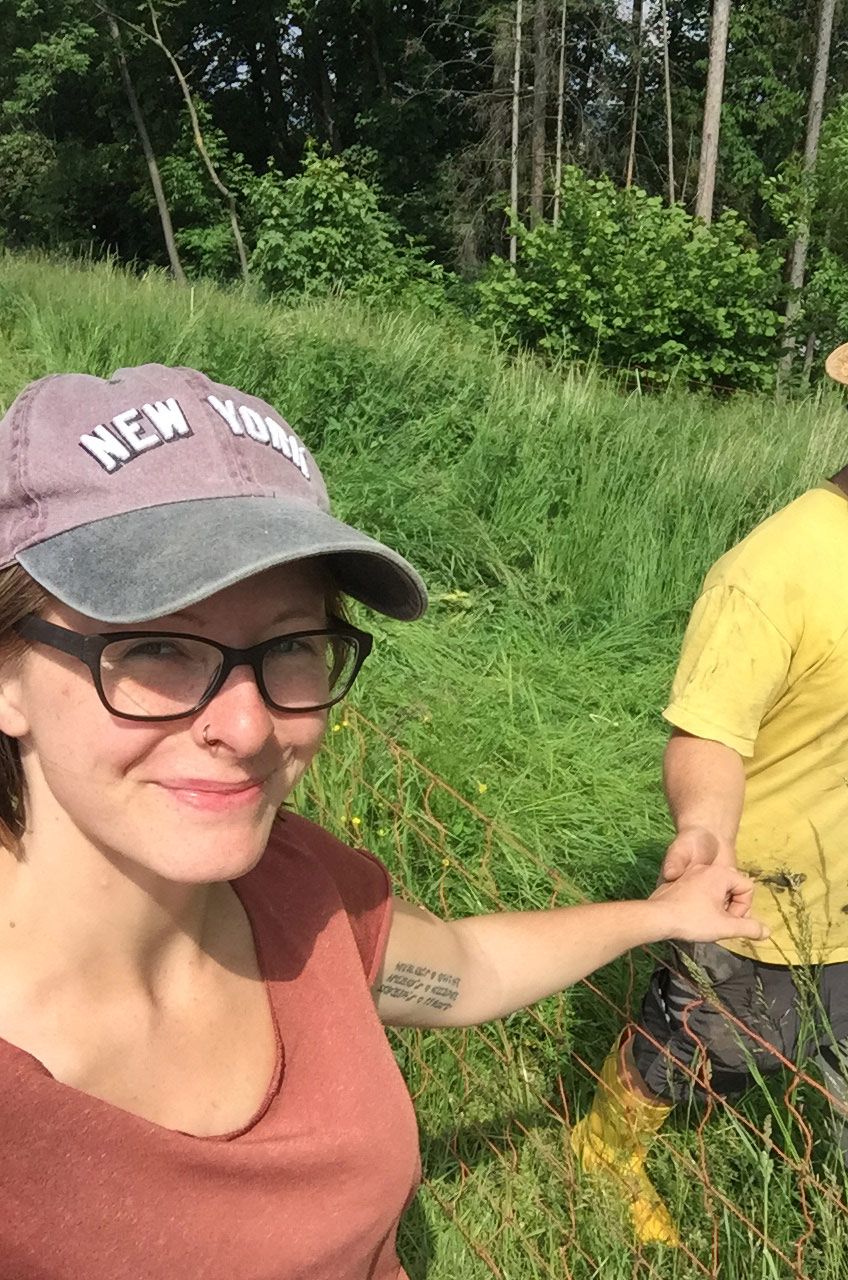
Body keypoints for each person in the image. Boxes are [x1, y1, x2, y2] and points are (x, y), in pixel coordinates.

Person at [0, 361, 767, 1279]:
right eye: (156, 645)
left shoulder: (292, 886)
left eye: (289, 645)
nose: (247, 726)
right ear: (8, 676)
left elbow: (466, 969)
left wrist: (664, 917)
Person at [571, 258, 848, 1280]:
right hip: (766, 904)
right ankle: (603, 1147)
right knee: (703, 1053)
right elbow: (708, 732)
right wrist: (703, 835)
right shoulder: (773, 567)